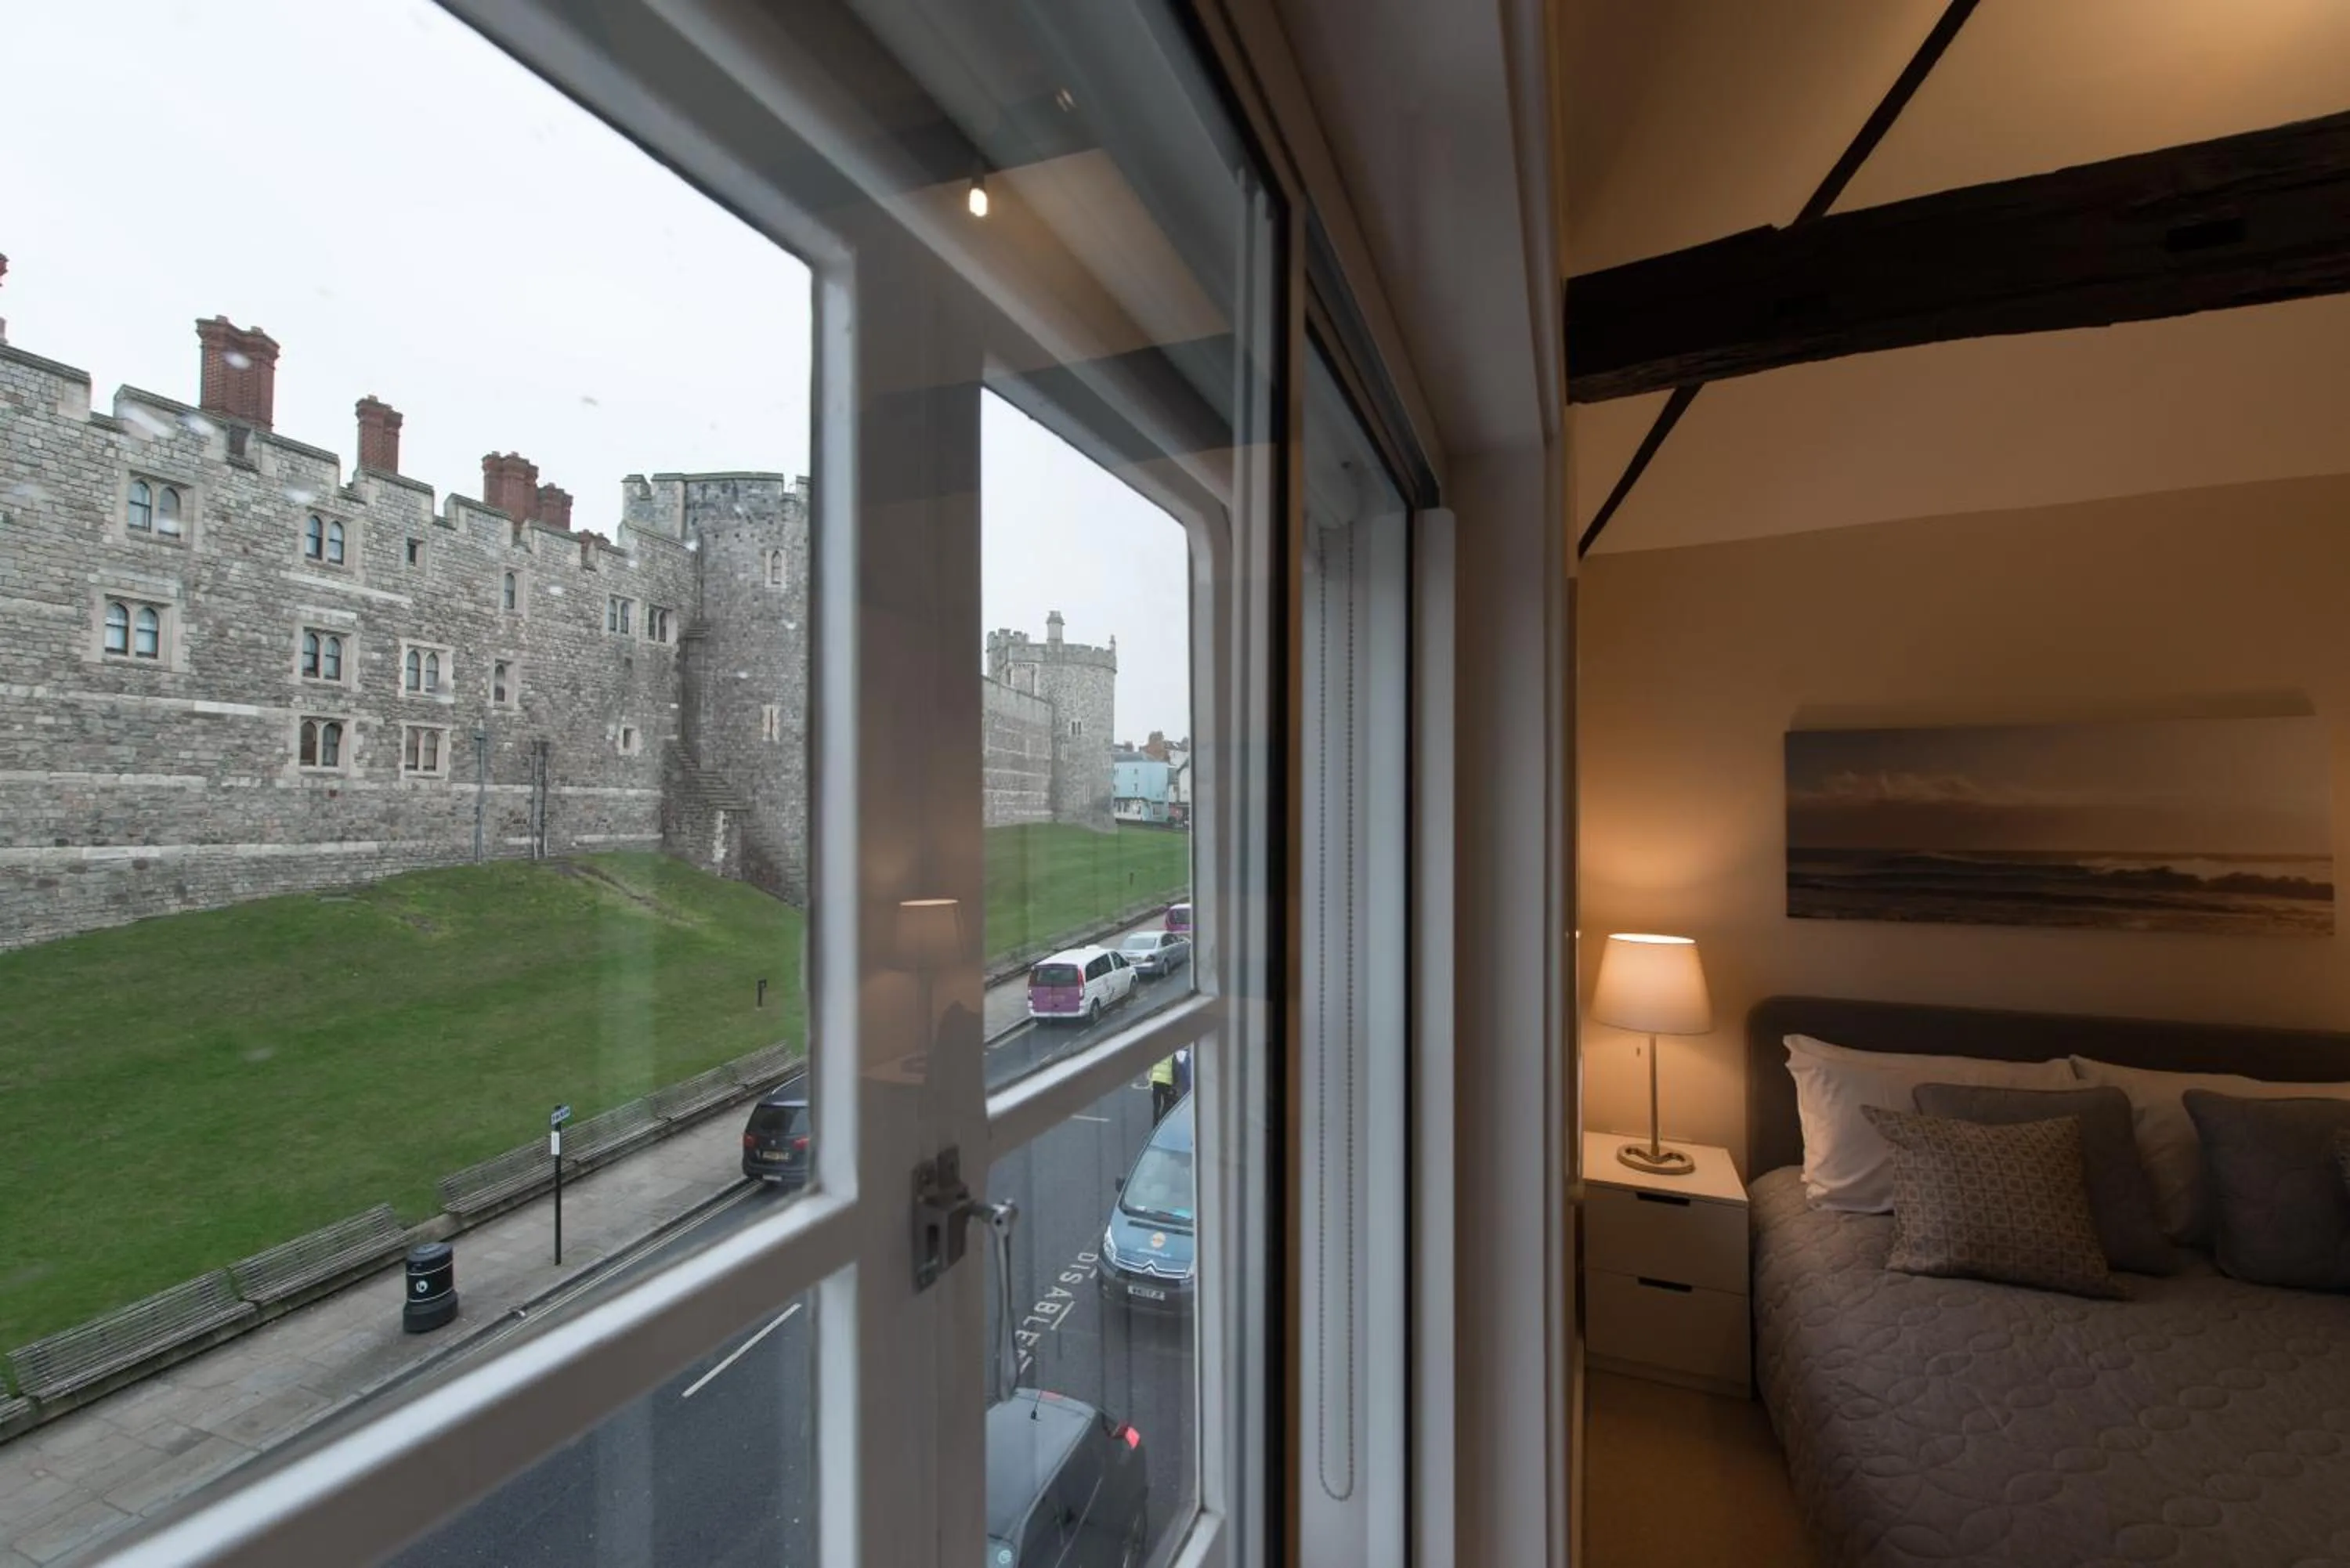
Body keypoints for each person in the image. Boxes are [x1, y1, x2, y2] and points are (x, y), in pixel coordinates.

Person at [1149, 1053, 1177, 1122]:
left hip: (1156, 1080)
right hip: (1167, 1081)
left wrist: (1152, 1083)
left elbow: (1151, 1068)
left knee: (1156, 1106)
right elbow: (1175, 1069)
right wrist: (1174, 1083)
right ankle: (1162, 1120)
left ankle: (1155, 1124)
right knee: (1167, 1102)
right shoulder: (1172, 1055)